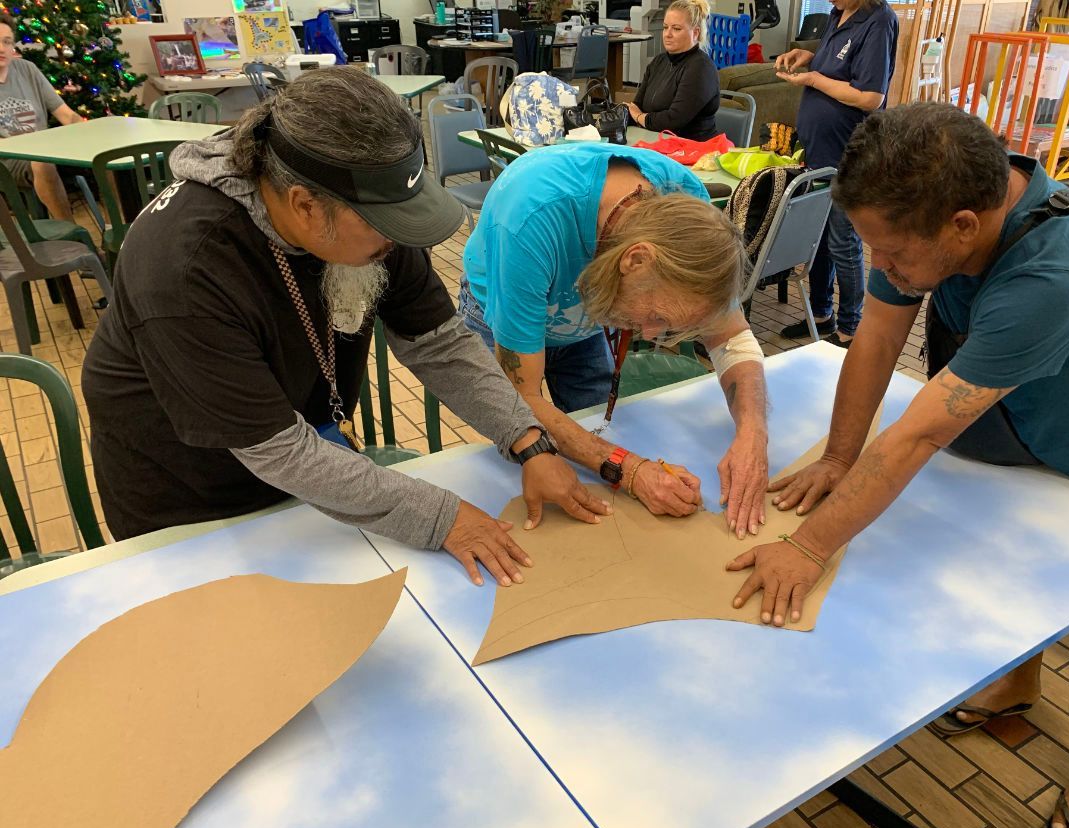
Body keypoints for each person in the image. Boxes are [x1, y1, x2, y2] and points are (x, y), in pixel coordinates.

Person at [725, 102, 1069, 828]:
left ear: (964, 227)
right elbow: (877, 337)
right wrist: (839, 457)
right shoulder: (933, 201)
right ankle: (1018, 686)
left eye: (891, 255)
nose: (879, 269)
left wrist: (809, 549)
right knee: (1021, 557)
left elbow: (918, 433)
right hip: (1035, 417)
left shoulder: (1051, 275)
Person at [82, 67, 611, 589]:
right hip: (193, 497)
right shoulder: (183, 268)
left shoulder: (364, 208)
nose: (398, 242)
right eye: (385, 229)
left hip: (309, 459)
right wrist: (442, 517)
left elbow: (440, 344)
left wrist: (528, 440)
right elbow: (279, 452)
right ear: (305, 206)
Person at [459, 142, 771, 538]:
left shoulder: (689, 210)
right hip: (502, 309)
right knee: (519, 455)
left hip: (588, 309)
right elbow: (522, 398)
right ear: (635, 259)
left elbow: (732, 339)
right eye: (657, 316)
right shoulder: (530, 220)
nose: (651, 333)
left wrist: (753, 432)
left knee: (595, 439)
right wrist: (631, 469)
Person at [774, 0, 898, 346]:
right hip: (819, 152)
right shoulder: (837, 14)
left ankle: (850, 328)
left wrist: (814, 78)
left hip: (849, 155)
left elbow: (871, 97)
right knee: (820, 239)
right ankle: (820, 314)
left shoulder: (878, 20)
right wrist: (808, 56)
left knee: (844, 242)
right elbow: (842, 66)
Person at [0, 15, 84, 220]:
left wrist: (89, 132)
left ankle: (120, 234)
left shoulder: (27, 69)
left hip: (45, 150)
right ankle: (71, 233)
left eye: (6, 42)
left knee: (105, 153)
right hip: (8, 160)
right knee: (41, 163)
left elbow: (64, 113)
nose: (2, 48)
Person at [624, 0, 720, 141]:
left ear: (695, 33)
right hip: (655, 141)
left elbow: (673, 121)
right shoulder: (658, 62)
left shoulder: (700, 68)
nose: (667, 34)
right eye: (665, 27)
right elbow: (637, 106)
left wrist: (640, 117)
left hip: (692, 150)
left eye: (676, 29)